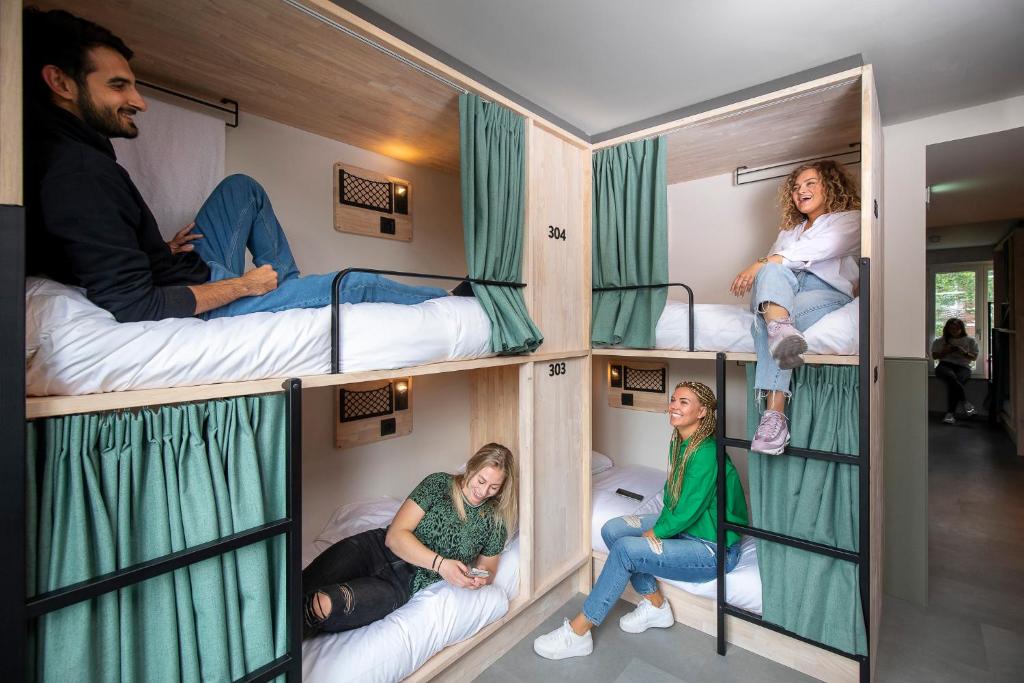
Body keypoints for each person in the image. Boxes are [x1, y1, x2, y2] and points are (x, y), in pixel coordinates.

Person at [23, 8, 447, 323]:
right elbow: (134, 303)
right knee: (355, 284)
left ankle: (287, 287)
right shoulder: (77, 172)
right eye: (119, 86)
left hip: (186, 268)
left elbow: (94, 247)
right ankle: (457, 300)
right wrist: (245, 285)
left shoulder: (76, 153)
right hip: (197, 295)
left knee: (242, 188)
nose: (139, 101)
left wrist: (155, 250)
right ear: (60, 83)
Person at [533, 382, 748, 659]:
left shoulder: (706, 452)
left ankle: (579, 632)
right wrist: (660, 528)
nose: (674, 406)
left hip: (712, 545)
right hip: (688, 528)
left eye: (684, 402)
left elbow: (687, 511)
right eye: (673, 400)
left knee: (625, 549)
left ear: (703, 411)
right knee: (613, 529)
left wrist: (657, 532)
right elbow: (675, 501)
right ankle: (656, 606)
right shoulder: (680, 440)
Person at [302, 443, 517, 636]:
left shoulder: (494, 521)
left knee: (323, 604)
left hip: (399, 584)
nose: (483, 491)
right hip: (373, 549)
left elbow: (487, 568)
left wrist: (479, 578)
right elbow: (395, 536)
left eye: (494, 487)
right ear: (471, 468)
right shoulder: (438, 484)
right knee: (300, 586)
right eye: (481, 480)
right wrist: (441, 565)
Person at [729, 160, 861, 454]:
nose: (801, 191)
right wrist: (766, 265)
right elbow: (774, 268)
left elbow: (809, 252)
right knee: (772, 275)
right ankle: (780, 329)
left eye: (810, 183)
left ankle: (774, 415)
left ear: (830, 185)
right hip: (782, 291)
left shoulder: (850, 220)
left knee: (768, 292)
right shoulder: (789, 231)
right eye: (796, 187)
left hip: (823, 292)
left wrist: (759, 263)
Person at [931, 318, 979, 424]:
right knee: (952, 378)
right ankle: (966, 404)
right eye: (951, 328)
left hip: (963, 367)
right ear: (947, 329)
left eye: (957, 328)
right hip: (945, 366)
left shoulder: (970, 341)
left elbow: (974, 358)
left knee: (954, 384)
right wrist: (945, 352)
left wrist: (964, 352)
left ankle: (950, 415)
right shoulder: (940, 341)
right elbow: (934, 356)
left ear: (962, 329)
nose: (954, 330)